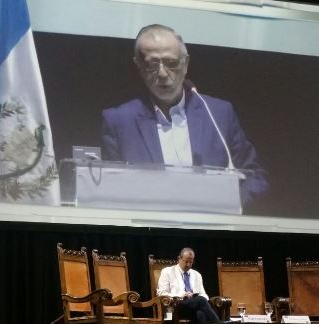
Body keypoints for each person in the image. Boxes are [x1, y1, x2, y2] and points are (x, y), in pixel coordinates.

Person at [101, 24, 268, 207]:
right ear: (139, 66)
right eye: (152, 65)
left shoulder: (219, 113)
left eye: (171, 63)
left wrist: (226, 206)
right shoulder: (119, 122)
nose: (163, 74)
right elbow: (111, 192)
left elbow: (255, 178)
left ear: (186, 63)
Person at [157, 247, 223, 324]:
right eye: (186, 261)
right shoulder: (167, 272)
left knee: (201, 313)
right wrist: (182, 295)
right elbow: (161, 293)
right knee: (201, 300)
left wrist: (194, 296)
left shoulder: (197, 275)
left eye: (191, 262)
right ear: (179, 258)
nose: (188, 265)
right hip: (173, 308)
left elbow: (204, 294)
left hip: (192, 307)